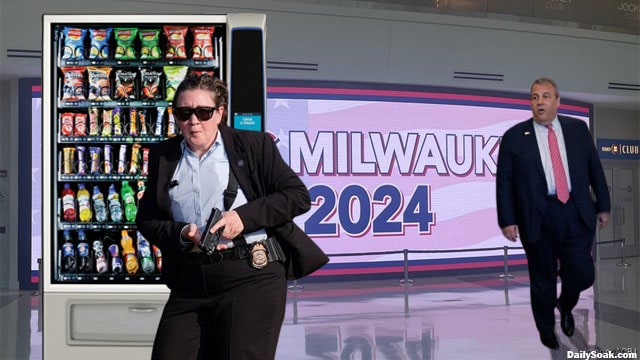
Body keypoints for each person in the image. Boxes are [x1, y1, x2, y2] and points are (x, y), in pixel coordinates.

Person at [136, 73, 328, 360]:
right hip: (191, 277)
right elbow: (147, 219)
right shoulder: (164, 155)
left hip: (251, 275)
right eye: (183, 112)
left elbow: (297, 196)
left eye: (203, 112)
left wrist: (244, 218)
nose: (193, 121)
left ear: (220, 113)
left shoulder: (253, 145)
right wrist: (181, 232)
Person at [496, 77, 610, 350]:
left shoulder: (577, 129)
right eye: (535, 97)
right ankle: (545, 327)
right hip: (538, 215)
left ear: (557, 101)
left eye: (546, 96)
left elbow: (594, 167)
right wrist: (507, 219)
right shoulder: (514, 137)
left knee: (583, 273)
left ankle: (566, 304)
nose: (540, 102)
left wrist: (603, 205)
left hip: (576, 210)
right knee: (543, 276)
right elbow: (504, 182)